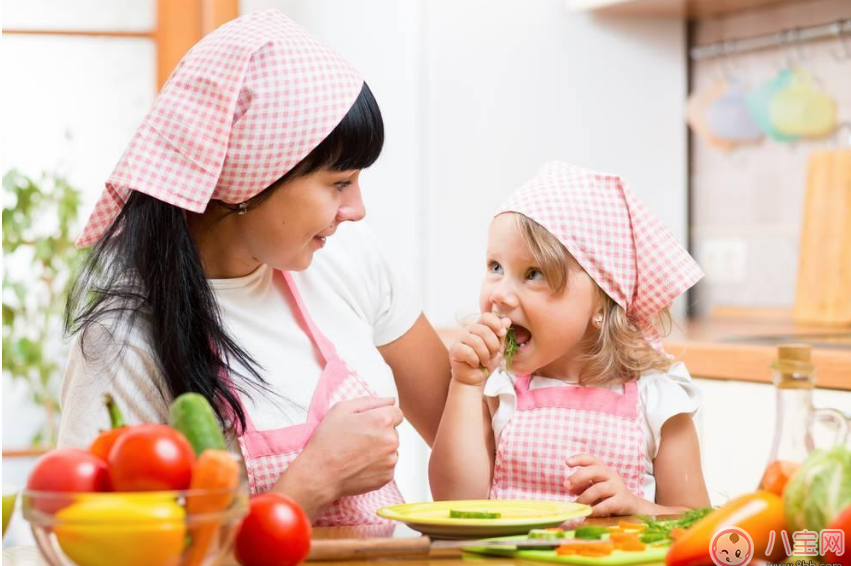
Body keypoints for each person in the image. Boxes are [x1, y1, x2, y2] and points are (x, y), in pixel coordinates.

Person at [58, 10, 450, 525]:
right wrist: (314, 478)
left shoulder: (349, 256)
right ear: (253, 176)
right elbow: (111, 551)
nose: (357, 209)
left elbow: (465, 440)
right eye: (339, 183)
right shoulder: (125, 342)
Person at [429, 161, 710, 516]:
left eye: (534, 274)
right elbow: (454, 504)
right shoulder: (496, 388)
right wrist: (465, 384)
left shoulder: (658, 400)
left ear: (602, 301)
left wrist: (636, 506)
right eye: (495, 267)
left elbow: (700, 521)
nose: (499, 294)